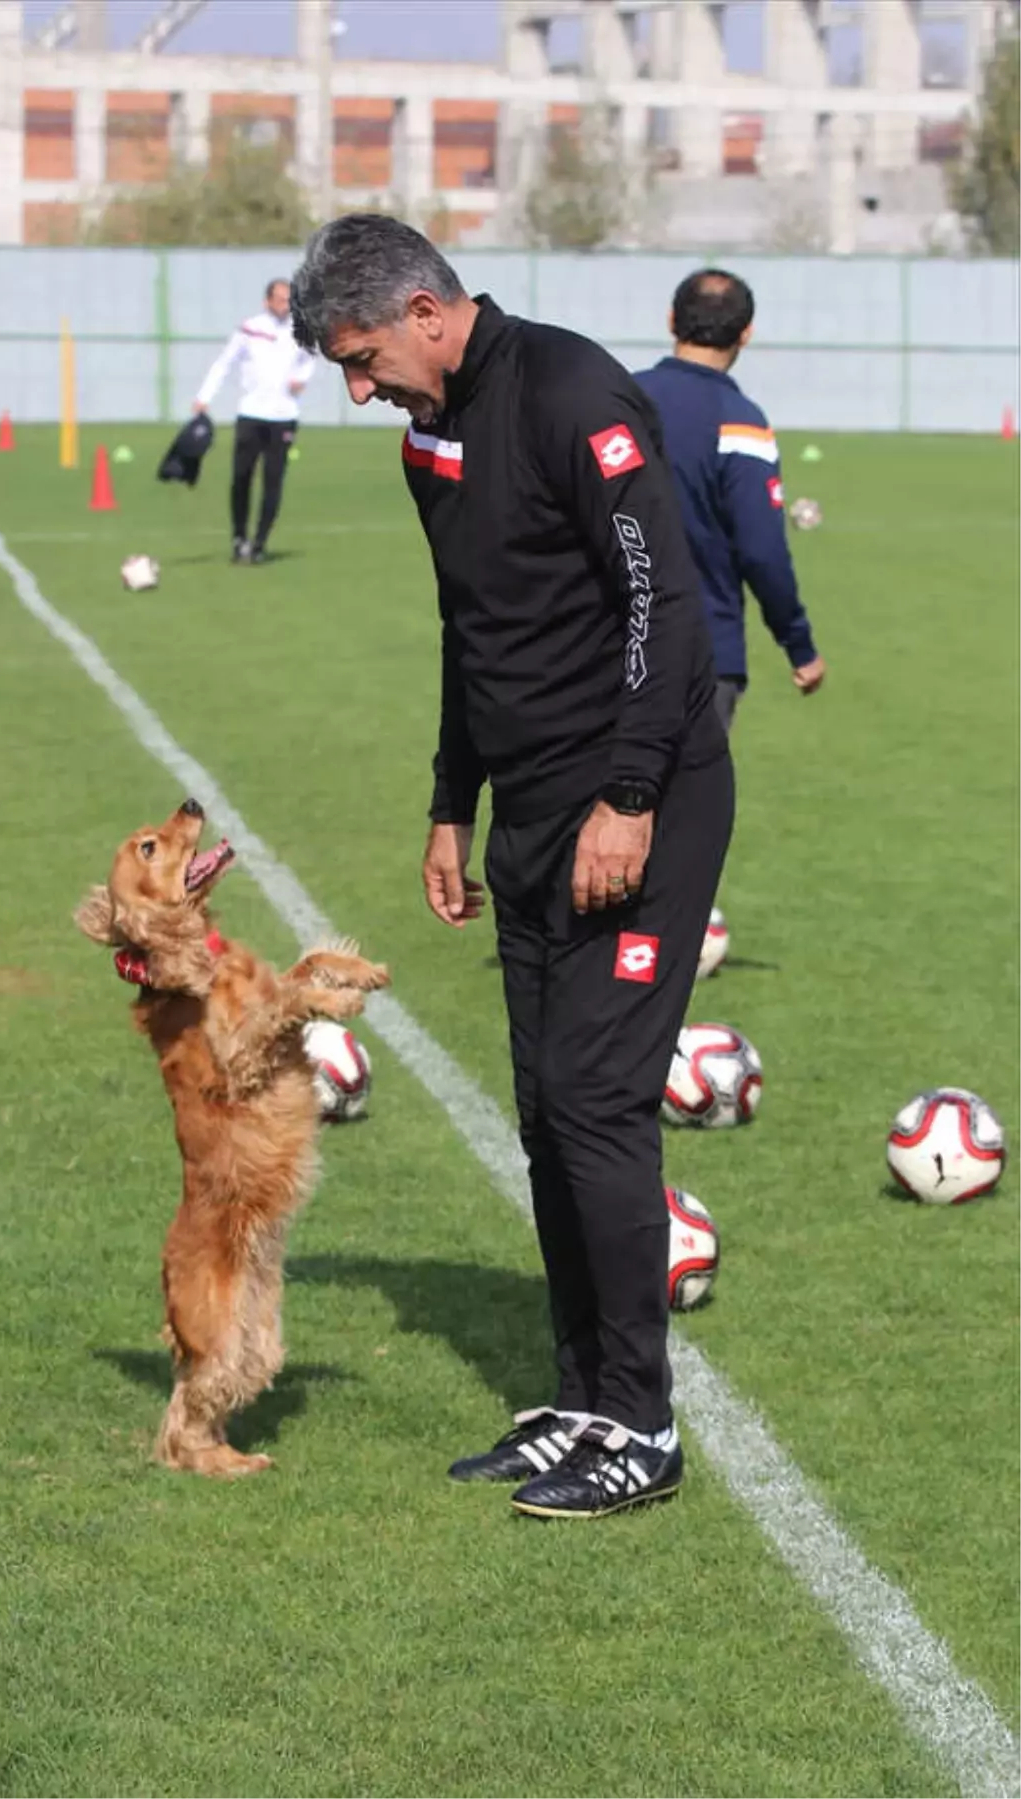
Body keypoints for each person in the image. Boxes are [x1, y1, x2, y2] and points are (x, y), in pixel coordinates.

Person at [290, 216, 733, 1521]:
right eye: (342, 370)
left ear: (428, 309)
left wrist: (632, 792)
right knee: (547, 1106)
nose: (361, 389)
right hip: (532, 808)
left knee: (600, 1100)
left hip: (637, 800)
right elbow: (472, 620)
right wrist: (450, 801)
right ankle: (586, 1397)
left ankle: (643, 1425)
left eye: (366, 358)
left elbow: (666, 599)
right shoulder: (432, 434)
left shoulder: (572, 389)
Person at [635, 270, 825, 731]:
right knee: (688, 802)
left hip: (599, 645)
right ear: (746, 333)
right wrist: (798, 643)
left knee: (600, 800)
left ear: (671, 320)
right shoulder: (741, 423)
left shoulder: (614, 400)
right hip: (701, 653)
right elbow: (761, 550)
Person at [193, 278, 315, 565]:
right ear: (267, 301)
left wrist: (301, 379)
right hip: (250, 415)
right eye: (281, 299)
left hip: (284, 417)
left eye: (290, 299)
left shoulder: (301, 330)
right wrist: (204, 397)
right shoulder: (250, 328)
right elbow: (224, 363)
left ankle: (259, 543)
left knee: (273, 482)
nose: (286, 304)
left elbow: (310, 357)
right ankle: (239, 538)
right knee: (241, 478)